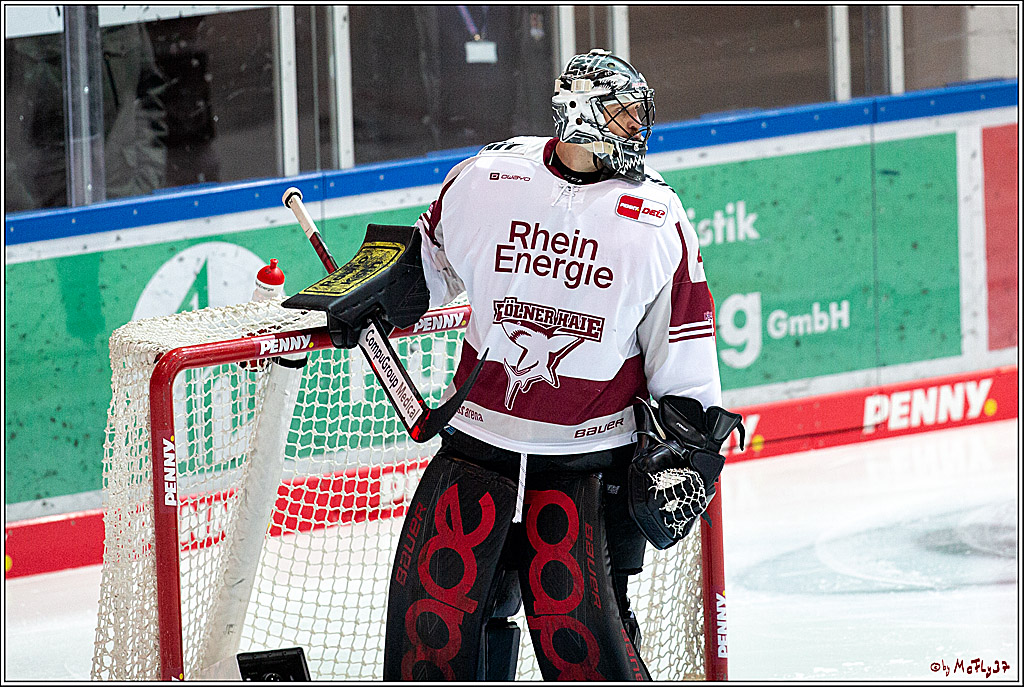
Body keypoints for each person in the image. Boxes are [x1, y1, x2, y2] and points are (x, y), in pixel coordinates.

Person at [377, 48, 735, 680]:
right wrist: (360, 296)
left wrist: (686, 441)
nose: (635, 133)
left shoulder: (656, 218)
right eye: (620, 116)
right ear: (575, 111)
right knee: (438, 625)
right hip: (479, 442)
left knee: (588, 637)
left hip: (591, 458)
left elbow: (682, 344)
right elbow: (423, 268)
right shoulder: (488, 178)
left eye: (636, 118)